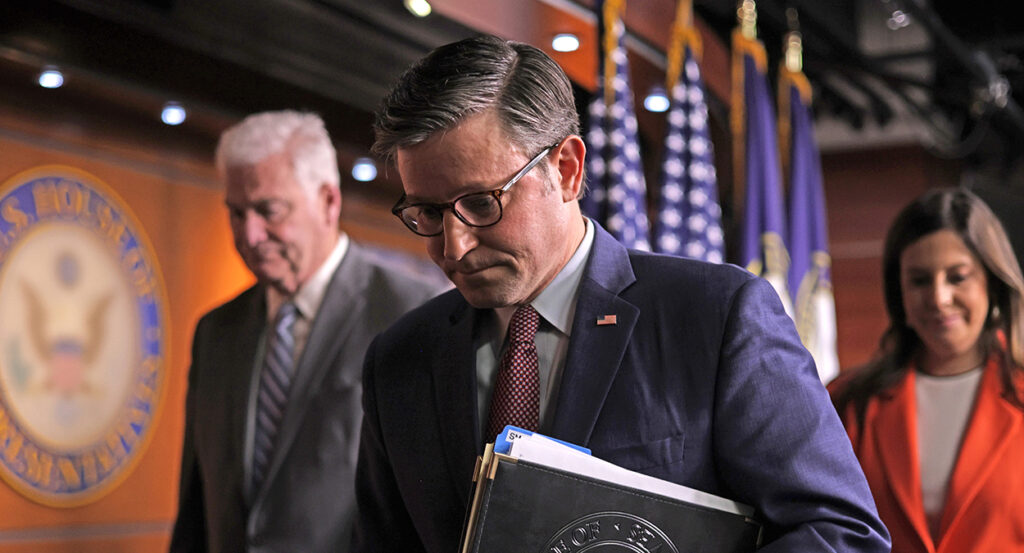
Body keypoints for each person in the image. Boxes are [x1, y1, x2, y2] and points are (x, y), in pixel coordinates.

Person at [352, 35, 889, 553]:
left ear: (566, 169)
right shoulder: (399, 358)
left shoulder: (715, 317)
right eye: (426, 213)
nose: (454, 245)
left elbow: (839, 532)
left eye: (480, 203)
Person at [170, 110, 444, 553]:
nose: (250, 235)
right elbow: (196, 508)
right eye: (236, 214)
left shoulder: (411, 314)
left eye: (268, 211)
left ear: (328, 202)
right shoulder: (216, 331)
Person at [829, 187, 1024, 553]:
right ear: (898, 292)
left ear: (993, 285)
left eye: (957, 277)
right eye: (919, 280)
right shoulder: (846, 401)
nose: (938, 297)